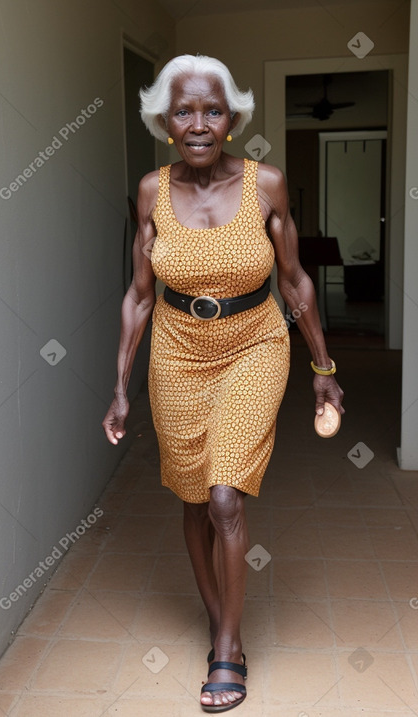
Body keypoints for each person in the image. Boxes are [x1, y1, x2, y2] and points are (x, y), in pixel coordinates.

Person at [102, 54, 344, 713]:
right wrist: (120, 385)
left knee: (224, 498)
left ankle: (228, 647)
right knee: (190, 497)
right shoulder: (152, 192)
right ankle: (219, 615)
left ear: (233, 118)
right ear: (165, 120)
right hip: (177, 352)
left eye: (213, 110)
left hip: (256, 344)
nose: (199, 123)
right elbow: (138, 295)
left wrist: (323, 368)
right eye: (184, 110)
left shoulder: (266, 184)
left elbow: (293, 281)